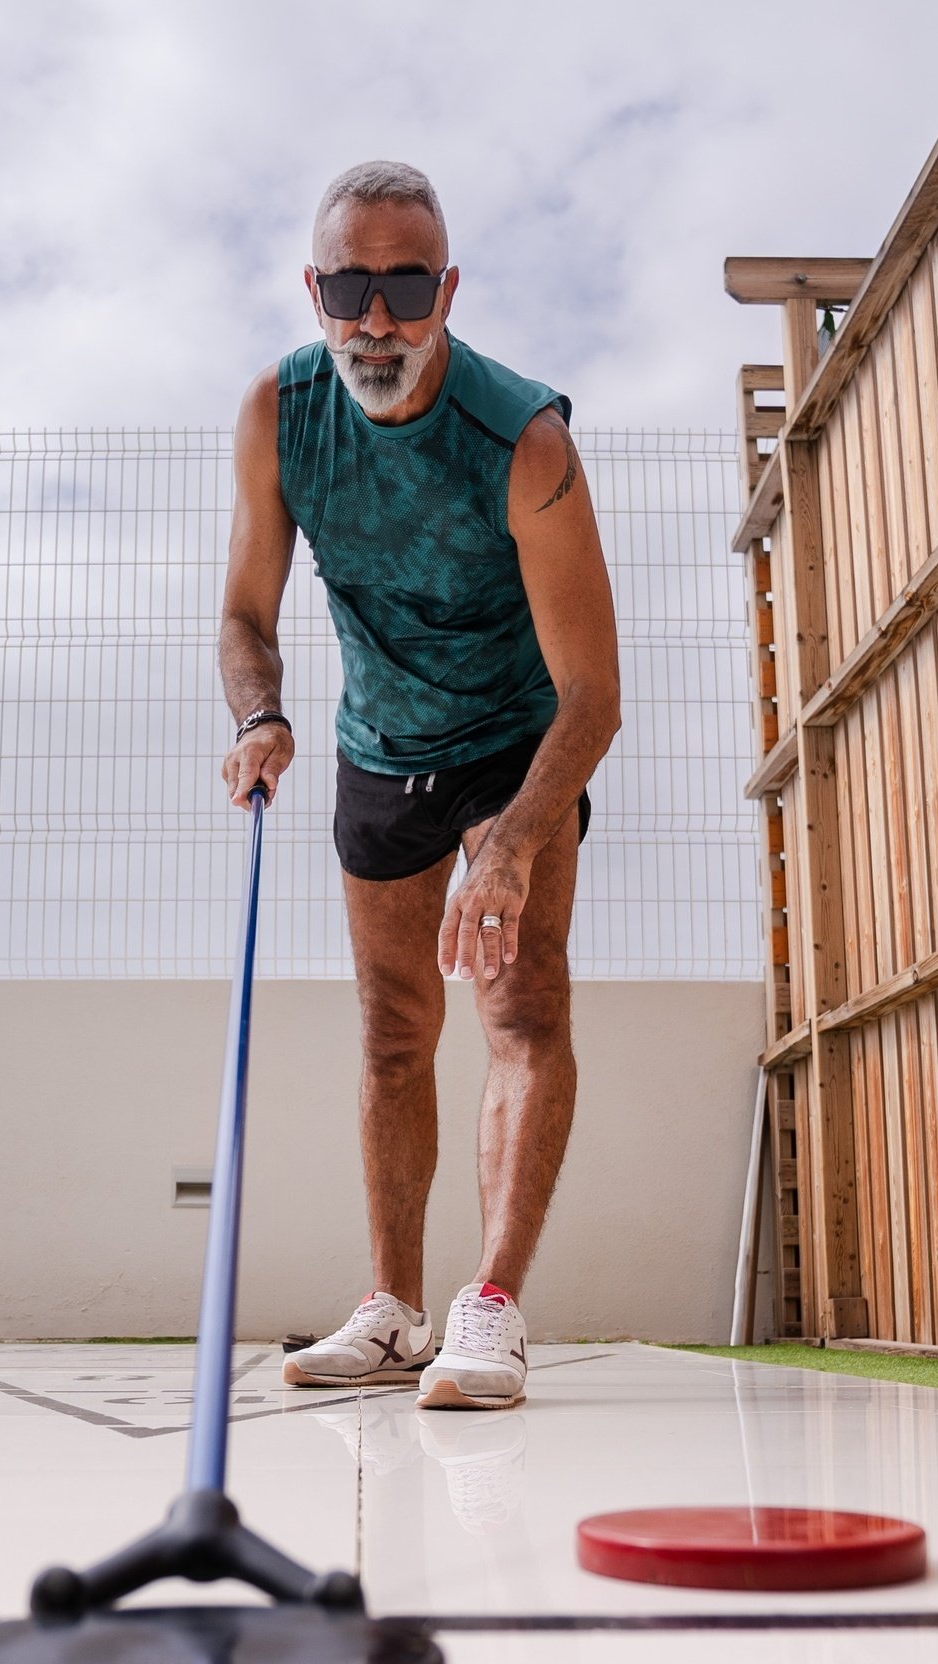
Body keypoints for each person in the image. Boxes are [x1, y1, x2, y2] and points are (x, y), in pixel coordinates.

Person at [217, 160, 620, 1410]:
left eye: (403, 284)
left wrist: (512, 838)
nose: (376, 317)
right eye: (351, 284)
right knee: (395, 1035)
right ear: (316, 288)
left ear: (445, 289)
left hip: (518, 743)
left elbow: (595, 692)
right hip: (381, 746)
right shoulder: (282, 413)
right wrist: (264, 714)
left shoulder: (522, 438)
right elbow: (245, 612)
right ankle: (391, 1311)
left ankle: (488, 1309)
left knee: (520, 1016)